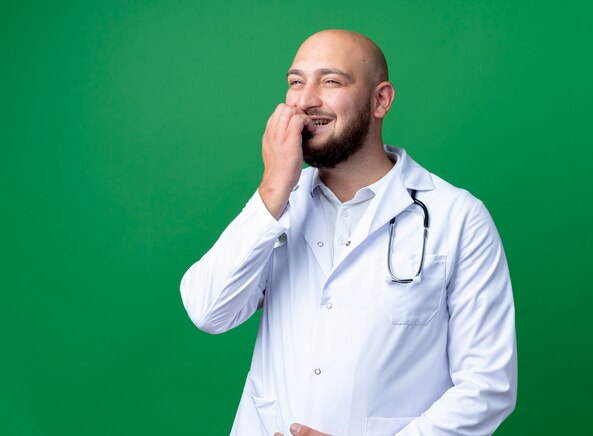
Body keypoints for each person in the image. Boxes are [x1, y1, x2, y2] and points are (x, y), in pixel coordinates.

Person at [180, 29, 517, 436]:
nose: (305, 100)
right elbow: (208, 310)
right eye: (295, 82)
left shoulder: (458, 218)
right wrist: (272, 189)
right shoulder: (275, 209)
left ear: (381, 100)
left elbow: (487, 386)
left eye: (331, 81)